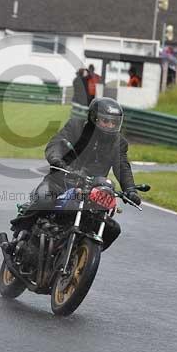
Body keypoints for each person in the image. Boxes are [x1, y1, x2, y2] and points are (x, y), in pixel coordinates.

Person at [8, 97, 141, 252]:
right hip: (60, 181)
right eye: (105, 121)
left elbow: (122, 166)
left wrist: (130, 189)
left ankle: (80, 255)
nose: (109, 126)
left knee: (112, 229)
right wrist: (57, 159)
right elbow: (56, 143)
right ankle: (18, 239)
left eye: (113, 122)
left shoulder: (119, 142)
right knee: (43, 200)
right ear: (93, 118)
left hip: (92, 190)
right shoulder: (75, 127)